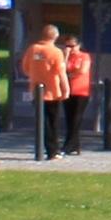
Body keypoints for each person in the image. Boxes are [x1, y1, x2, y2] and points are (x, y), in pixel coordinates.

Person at [17, 21, 68, 160]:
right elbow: (61, 72)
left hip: (36, 91)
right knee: (52, 122)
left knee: (42, 122)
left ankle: (46, 148)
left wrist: (35, 75)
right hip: (52, 92)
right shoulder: (56, 52)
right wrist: (66, 89)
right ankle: (53, 150)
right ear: (55, 36)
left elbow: (25, 68)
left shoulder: (33, 49)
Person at [59, 28, 96, 156]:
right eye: (67, 45)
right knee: (69, 118)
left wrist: (69, 74)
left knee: (76, 118)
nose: (69, 48)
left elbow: (82, 70)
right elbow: (60, 69)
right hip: (68, 90)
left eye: (72, 46)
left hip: (81, 91)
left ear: (78, 45)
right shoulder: (65, 57)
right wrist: (66, 55)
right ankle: (75, 145)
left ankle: (68, 145)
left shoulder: (84, 56)